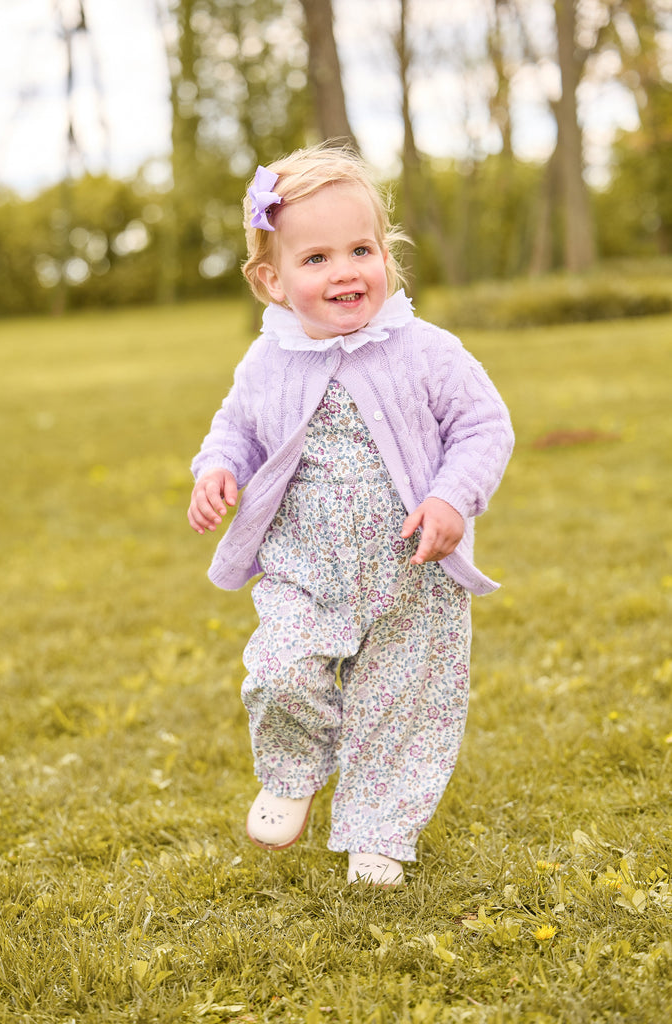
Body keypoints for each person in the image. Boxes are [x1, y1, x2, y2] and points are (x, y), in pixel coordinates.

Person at [188, 144, 513, 888]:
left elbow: (482, 426)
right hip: (305, 566)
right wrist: (217, 469)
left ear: (386, 255)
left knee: (402, 702)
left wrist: (451, 498)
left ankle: (378, 830)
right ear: (272, 281)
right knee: (279, 670)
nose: (345, 272)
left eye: (361, 250)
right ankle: (295, 768)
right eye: (317, 258)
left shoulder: (424, 350)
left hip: (412, 571)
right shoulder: (267, 361)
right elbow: (235, 428)